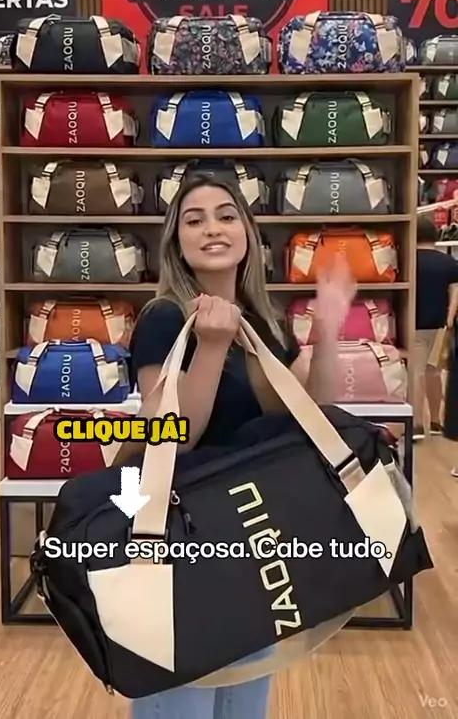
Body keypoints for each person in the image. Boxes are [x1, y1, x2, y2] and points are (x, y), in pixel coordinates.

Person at [118, 173, 356, 719]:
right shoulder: (164, 318)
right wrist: (211, 347)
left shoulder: (263, 324)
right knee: (179, 699)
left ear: (247, 232)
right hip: (180, 543)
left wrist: (327, 331)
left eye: (227, 216)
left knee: (244, 698)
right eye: (194, 220)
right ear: (176, 242)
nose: (213, 229)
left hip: (253, 539)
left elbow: (303, 415)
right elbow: (171, 436)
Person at [414, 216, 458, 441]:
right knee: (434, 372)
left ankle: (417, 424)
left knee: (416, 373)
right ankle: (435, 421)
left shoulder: (408, 260)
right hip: (440, 325)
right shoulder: (449, 262)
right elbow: (455, 292)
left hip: (414, 324)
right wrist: (449, 319)